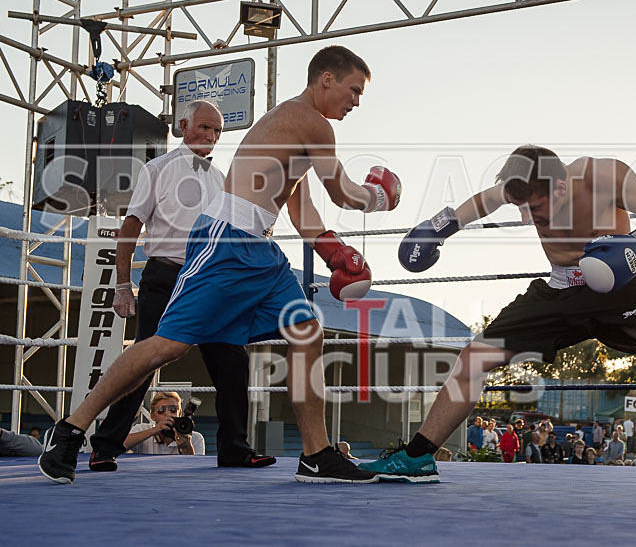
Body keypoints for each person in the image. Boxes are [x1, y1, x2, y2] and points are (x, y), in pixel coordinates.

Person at [38, 45, 401, 485]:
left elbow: (300, 210)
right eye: (354, 90)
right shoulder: (311, 122)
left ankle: (316, 455)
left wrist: (335, 253)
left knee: (307, 332)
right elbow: (344, 193)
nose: (356, 101)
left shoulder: (298, 132)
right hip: (227, 243)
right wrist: (381, 195)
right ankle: (71, 430)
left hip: (261, 252)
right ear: (327, 79)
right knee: (165, 345)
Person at [361, 144, 636, 492]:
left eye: (536, 208)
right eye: (522, 208)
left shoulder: (604, 177)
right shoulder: (524, 185)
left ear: (560, 186)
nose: (529, 218)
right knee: (475, 357)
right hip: (559, 287)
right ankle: (418, 457)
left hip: (618, 281)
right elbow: (485, 200)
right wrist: (441, 226)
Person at [87, 100, 273, 473]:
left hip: (210, 280)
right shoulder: (156, 169)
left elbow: (234, 232)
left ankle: (234, 448)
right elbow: (130, 226)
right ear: (183, 126)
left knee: (232, 358)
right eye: (204, 127)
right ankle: (104, 446)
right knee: (144, 361)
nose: (211, 136)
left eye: (217, 131)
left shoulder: (221, 179)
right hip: (166, 275)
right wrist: (122, 285)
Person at [124, 392, 205, 455]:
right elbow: (120, 444)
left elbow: (197, 469)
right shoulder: (142, 429)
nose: (168, 414)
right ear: (152, 416)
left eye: (173, 409)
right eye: (161, 410)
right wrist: (154, 430)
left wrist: (187, 448)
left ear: (180, 413)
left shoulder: (195, 438)